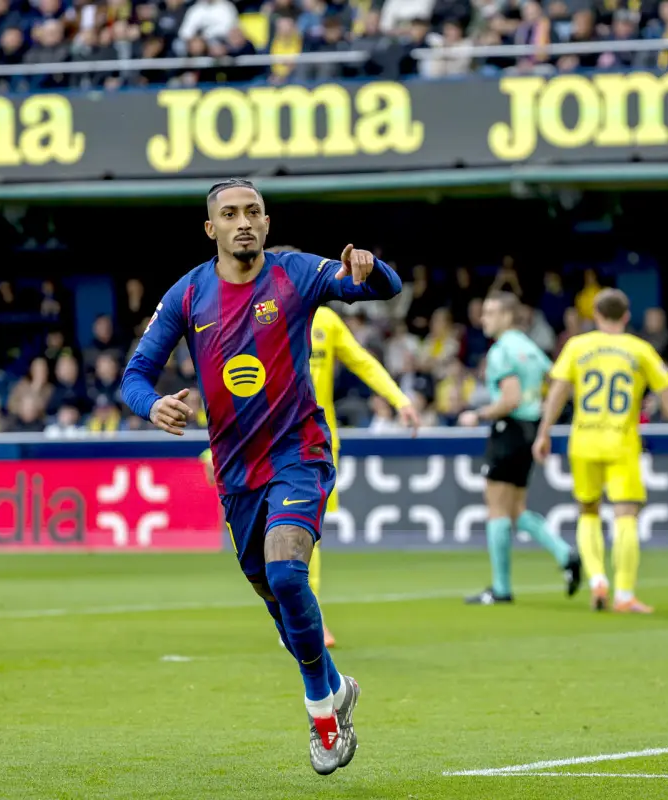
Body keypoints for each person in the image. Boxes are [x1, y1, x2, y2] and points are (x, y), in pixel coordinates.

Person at [121, 178, 401, 776]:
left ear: (267, 223)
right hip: (236, 472)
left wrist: (370, 269)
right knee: (275, 598)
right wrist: (152, 405)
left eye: (253, 212)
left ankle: (320, 712)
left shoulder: (296, 274)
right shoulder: (188, 295)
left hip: (300, 454)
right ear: (211, 229)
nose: (243, 221)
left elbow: (381, 287)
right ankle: (333, 689)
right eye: (230, 214)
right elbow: (135, 374)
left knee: (285, 570)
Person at [533, 289, 668, 614]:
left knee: (588, 512)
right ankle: (624, 593)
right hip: (621, 442)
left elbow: (557, 392)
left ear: (595, 315)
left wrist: (544, 432)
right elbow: (667, 394)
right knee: (625, 516)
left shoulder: (577, 346)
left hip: (583, 440)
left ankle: (598, 578)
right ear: (626, 316)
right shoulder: (639, 350)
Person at [457, 291, 582, 605]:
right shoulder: (530, 347)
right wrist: (543, 428)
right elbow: (557, 381)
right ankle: (564, 554)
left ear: (506, 316)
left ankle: (501, 588)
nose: (483, 318)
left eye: (490, 312)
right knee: (516, 508)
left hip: (509, 429)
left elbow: (510, 398)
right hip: (529, 430)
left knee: (497, 507)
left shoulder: (501, 351)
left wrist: (478, 414)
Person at [306, 304, 420, 646]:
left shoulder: (325, 319)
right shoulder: (256, 314)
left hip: (317, 442)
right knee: (274, 537)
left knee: (307, 533)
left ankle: (306, 618)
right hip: (267, 441)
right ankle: (294, 610)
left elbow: (362, 361)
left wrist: (399, 400)